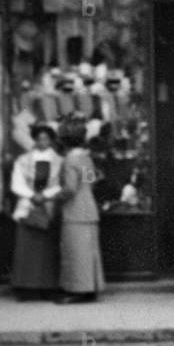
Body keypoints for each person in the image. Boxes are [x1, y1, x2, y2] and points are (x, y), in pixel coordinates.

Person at [10, 124, 62, 300]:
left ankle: (47, 288)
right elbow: (16, 184)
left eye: (46, 138)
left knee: (47, 252)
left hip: (48, 208)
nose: (42, 142)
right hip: (28, 207)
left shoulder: (60, 161)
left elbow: (61, 185)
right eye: (39, 138)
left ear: (51, 140)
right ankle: (25, 288)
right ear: (34, 139)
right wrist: (32, 196)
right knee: (27, 251)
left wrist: (45, 195)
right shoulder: (23, 160)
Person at [57, 117, 105, 304]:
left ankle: (78, 290)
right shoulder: (86, 158)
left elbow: (70, 188)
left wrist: (54, 195)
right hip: (89, 208)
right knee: (89, 252)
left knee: (75, 253)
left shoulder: (70, 160)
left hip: (75, 211)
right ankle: (91, 288)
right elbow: (90, 182)